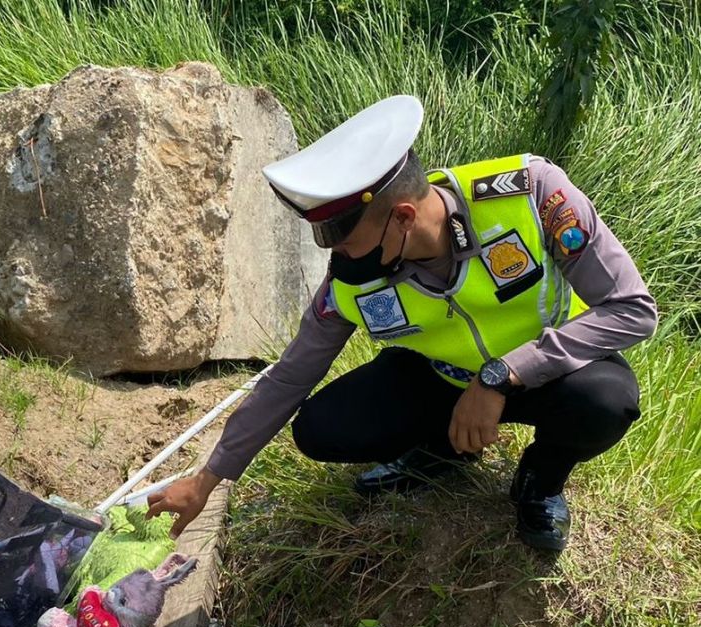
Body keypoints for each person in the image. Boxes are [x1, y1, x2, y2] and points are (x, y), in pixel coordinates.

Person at [147, 95, 656, 552]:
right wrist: (208, 479)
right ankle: (444, 451)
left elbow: (632, 308)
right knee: (321, 429)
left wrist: (503, 373)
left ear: (404, 217)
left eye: (348, 242)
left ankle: (540, 482)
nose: (340, 258)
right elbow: (289, 376)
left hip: (550, 373)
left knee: (605, 401)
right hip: (440, 379)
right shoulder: (354, 279)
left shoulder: (529, 195)